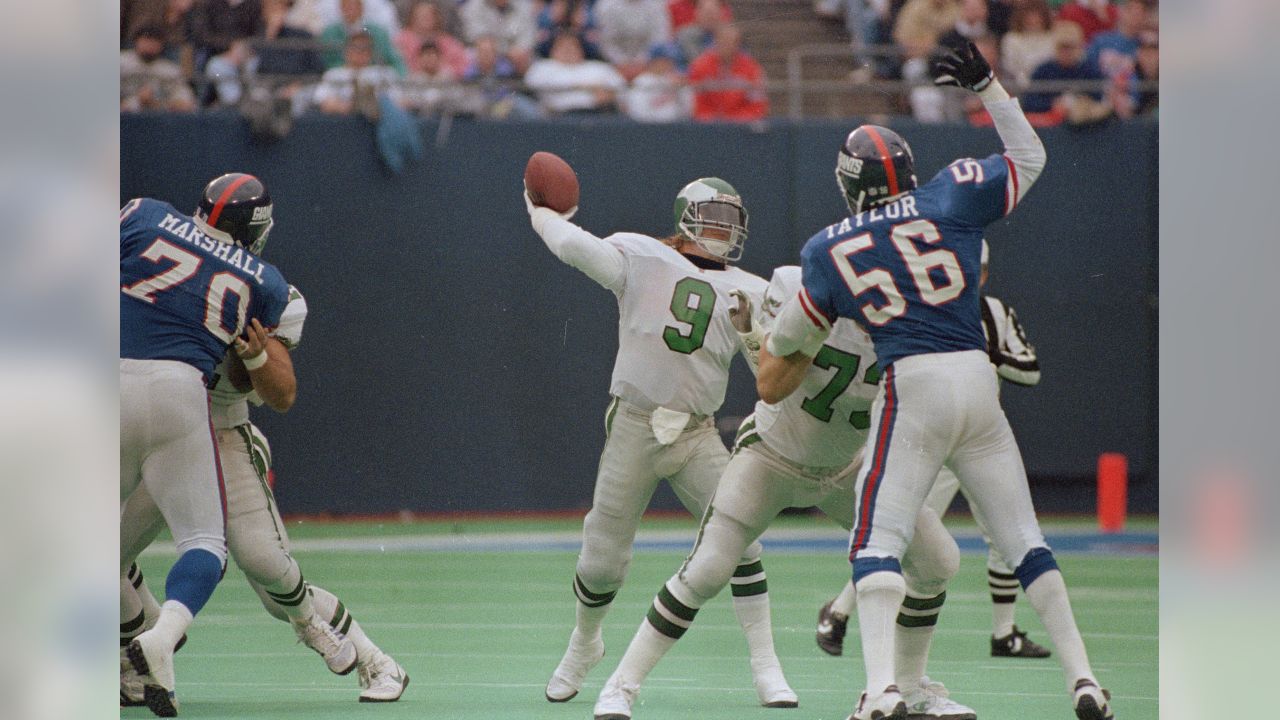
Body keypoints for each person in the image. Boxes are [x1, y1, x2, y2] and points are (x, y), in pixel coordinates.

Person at [757, 40, 1114, 719]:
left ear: (847, 185)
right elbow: (1030, 157)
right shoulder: (950, 194)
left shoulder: (829, 246)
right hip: (977, 379)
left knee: (876, 542)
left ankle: (883, 691)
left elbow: (788, 346)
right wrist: (987, 87)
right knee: (1024, 540)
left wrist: (770, 341)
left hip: (913, 385)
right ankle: (1085, 681)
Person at [592, 265, 977, 720]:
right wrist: (776, 334)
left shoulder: (915, 328)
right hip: (771, 456)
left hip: (848, 465)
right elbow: (770, 385)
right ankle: (620, 686)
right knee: (708, 571)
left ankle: (908, 688)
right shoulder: (804, 295)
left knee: (937, 561)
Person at [522, 177, 795, 709]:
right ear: (685, 216)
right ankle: (584, 643)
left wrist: (758, 337)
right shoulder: (642, 255)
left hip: (696, 432)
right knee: (602, 557)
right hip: (635, 423)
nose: (723, 227)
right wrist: (541, 212)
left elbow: (775, 371)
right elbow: (576, 246)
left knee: (742, 541)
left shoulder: (754, 289)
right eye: (712, 214)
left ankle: (766, 666)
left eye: (731, 218)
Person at [119, 282, 409, 705]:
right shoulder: (160, 274)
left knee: (267, 567)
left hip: (221, 437)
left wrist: (252, 352)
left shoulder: (268, 293)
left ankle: (373, 659)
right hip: (158, 437)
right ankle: (144, 645)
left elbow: (279, 393)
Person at [816, 239, 1053, 661]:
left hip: (977, 435)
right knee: (898, 531)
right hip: (925, 434)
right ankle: (839, 611)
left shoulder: (994, 312)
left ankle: (1004, 632)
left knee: (1005, 534)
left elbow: (1030, 368)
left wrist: (987, 354)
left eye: (974, 270)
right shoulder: (918, 306)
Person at [120, 173, 290, 716]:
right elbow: (254, 375)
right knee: (203, 541)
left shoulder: (143, 213)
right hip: (179, 392)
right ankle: (160, 636)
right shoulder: (265, 281)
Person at [524, 32, 627, 115]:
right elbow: (532, 85)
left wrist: (610, 94)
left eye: (573, 46)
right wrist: (586, 87)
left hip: (596, 114)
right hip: (558, 117)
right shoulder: (543, 67)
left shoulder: (598, 67)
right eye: (562, 46)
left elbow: (621, 87)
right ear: (552, 50)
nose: (568, 50)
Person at [687, 24, 768, 122]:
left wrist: (736, 119)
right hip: (708, 124)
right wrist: (709, 119)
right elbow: (696, 101)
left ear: (738, 44)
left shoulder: (752, 68)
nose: (727, 46)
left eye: (731, 42)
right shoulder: (700, 66)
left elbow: (757, 104)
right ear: (716, 42)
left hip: (741, 125)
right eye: (723, 42)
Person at [312, 31, 406, 115]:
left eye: (364, 49)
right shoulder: (333, 75)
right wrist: (349, 108)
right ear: (346, 51)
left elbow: (400, 101)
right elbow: (324, 102)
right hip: (345, 121)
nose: (360, 52)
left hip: (380, 120)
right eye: (355, 48)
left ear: (371, 52)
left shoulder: (384, 73)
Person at [120, 23, 198, 112]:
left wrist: (176, 104)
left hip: (158, 117)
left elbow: (186, 100)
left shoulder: (170, 70)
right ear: (136, 41)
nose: (150, 45)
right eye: (146, 40)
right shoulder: (121, 63)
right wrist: (136, 101)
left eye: (154, 41)